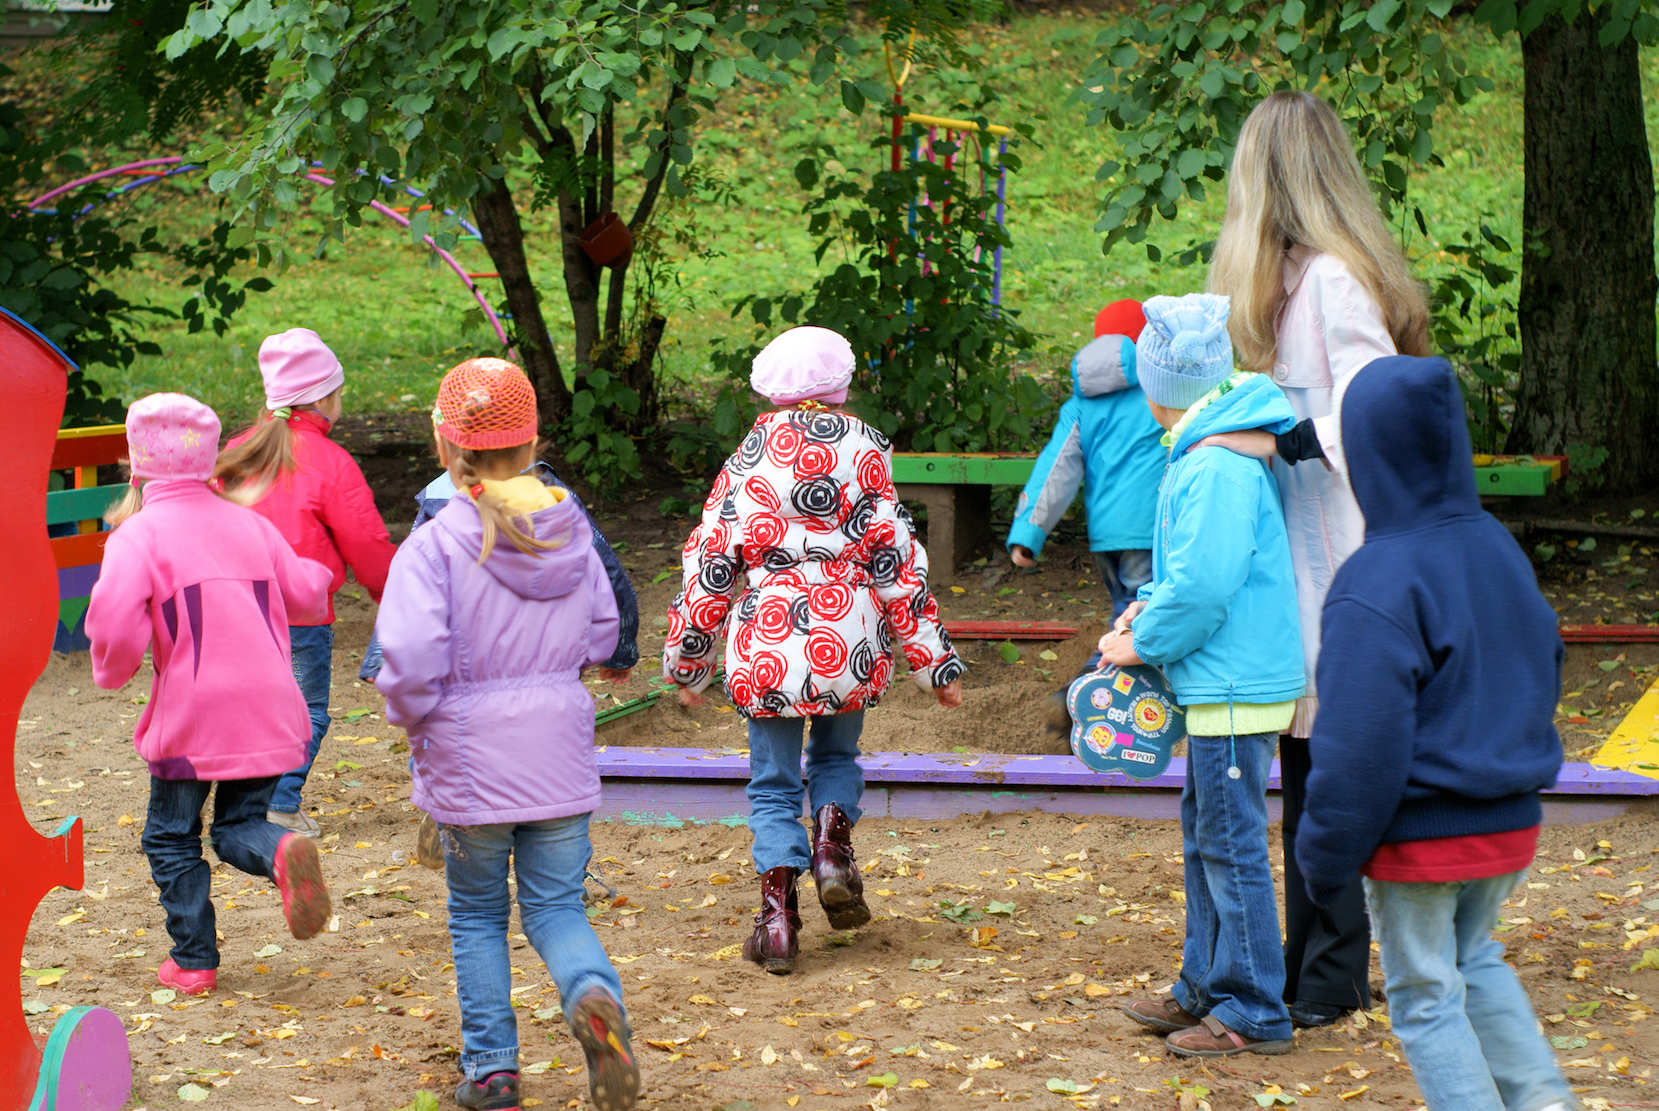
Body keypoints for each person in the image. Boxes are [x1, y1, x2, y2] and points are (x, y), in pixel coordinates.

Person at [1201, 89, 1432, 1028]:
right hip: (1300, 565)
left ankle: (1330, 972)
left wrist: (1280, 442)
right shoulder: (1287, 281)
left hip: (1347, 561)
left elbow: (1383, 406)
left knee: (1329, 771)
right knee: (1305, 768)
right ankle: (1307, 966)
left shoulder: (1333, 282)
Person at [1294, 356, 1573, 1111]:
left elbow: (1357, 749)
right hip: (1507, 822)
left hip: (1421, 837)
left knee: (1423, 996)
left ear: (1366, 455)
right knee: (1473, 958)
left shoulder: (1374, 579)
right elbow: (1543, 658)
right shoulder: (1495, 549)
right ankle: (1544, 1102)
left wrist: (1323, 860)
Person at [374, 358, 639, 1111]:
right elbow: (602, 630)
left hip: (467, 761)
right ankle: (591, 992)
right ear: (535, 442)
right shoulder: (570, 527)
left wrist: (409, 713)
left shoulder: (431, 545)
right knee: (558, 907)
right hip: (557, 754)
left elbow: (411, 659)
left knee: (477, 912)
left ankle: (492, 1067)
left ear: (442, 443)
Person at [663, 325, 964, 974]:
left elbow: (712, 560)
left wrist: (689, 659)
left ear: (767, 393)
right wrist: (933, 660)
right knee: (836, 754)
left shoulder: (747, 459)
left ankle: (777, 918)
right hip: (844, 641)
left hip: (767, 641)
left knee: (771, 787)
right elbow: (897, 560)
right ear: (843, 387)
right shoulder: (865, 454)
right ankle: (831, 845)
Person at [1099, 294, 1303, 1058]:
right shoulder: (1209, 448)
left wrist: (1141, 639)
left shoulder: (1212, 463)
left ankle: (1252, 1005)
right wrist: (1142, 610)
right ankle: (1203, 983)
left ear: (1160, 389)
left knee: (1228, 843)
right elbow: (1188, 572)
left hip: (1230, 685)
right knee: (1207, 835)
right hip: (1225, 679)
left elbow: (1204, 585)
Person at [86, 393, 336, 997]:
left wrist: (111, 670)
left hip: (194, 718)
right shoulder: (252, 524)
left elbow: (115, 628)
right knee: (239, 825)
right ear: (209, 460)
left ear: (135, 464)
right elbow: (306, 594)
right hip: (272, 708)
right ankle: (282, 849)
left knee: (171, 836)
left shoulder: (136, 536)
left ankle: (195, 960)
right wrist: (325, 571)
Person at [216, 328, 398, 839]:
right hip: (301, 615)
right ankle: (277, 801)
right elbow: (366, 542)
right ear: (322, 397)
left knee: (249, 703)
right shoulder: (331, 463)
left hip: (234, 609)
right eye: (339, 392)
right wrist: (391, 594)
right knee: (307, 710)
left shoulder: (237, 451)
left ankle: (246, 798)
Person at [1006, 300, 1166, 746]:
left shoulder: (1083, 401)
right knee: (1139, 621)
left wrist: (1027, 531)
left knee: (1129, 613)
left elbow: (1056, 468)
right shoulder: (1161, 388)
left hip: (1107, 538)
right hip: (1153, 530)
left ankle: (1104, 698)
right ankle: (1080, 695)